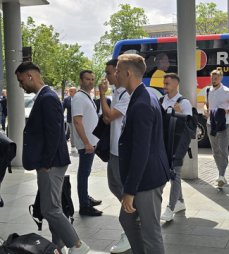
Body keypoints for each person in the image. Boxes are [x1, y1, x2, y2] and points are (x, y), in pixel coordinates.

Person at [15, 62, 90, 254]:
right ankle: (58, 246)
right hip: (52, 162)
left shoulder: (47, 98)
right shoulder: (46, 97)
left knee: (50, 209)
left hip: (51, 163)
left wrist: (46, 163)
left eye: (21, 80)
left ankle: (77, 245)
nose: (20, 85)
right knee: (52, 206)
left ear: (30, 76)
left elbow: (55, 134)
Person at [117, 53, 170, 254]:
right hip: (148, 174)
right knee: (126, 220)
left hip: (147, 178)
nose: (115, 74)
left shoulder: (141, 103)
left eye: (118, 71)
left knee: (151, 230)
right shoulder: (144, 95)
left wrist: (130, 191)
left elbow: (142, 151)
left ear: (128, 73)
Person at [98, 59, 132, 253]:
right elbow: (107, 116)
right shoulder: (117, 93)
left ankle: (131, 229)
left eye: (110, 73)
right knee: (114, 186)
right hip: (113, 149)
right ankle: (134, 220)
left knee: (122, 190)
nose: (108, 76)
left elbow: (109, 116)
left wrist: (102, 96)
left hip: (121, 151)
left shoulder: (126, 95)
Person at [159, 73, 191, 222]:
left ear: (175, 84)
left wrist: (178, 114)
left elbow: (189, 127)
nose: (164, 86)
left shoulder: (183, 103)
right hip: (164, 143)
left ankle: (170, 208)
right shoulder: (161, 100)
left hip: (177, 145)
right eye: (164, 83)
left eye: (167, 84)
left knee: (175, 174)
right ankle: (180, 201)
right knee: (172, 175)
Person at [72, 70, 103, 216]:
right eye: (87, 79)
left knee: (86, 172)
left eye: (92, 79)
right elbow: (77, 122)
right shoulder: (78, 97)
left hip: (90, 142)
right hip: (87, 144)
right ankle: (84, 205)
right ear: (80, 80)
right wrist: (86, 143)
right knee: (83, 173)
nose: (90, 82)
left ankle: (86, 198)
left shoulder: (86, 96)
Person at [205, 68, 229, 188]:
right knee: (215, 152)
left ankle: (221, 175)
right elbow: (207, 104)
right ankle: (221, 173)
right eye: (212, 78)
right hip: (210, 124)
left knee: (223, 150)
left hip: (224, 124)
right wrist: (205, 109)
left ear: (221, 78)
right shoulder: (208, 90)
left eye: (216, 78)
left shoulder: (227, 91)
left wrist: (227, 111)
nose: (213, 80)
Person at [63, 87, 77, 153]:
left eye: (71, 91)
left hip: (78, 119)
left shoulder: (79, 99)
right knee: (72, 133)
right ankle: (73, 146)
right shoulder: (66, 99)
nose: (70, 92)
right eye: (69, 91)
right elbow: (62, 108)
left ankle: (79, 145)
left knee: (78, 132)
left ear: (75, 92)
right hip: (70, 119)